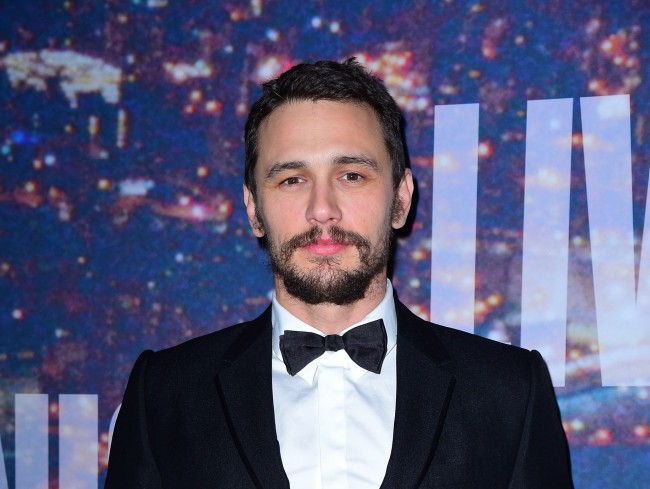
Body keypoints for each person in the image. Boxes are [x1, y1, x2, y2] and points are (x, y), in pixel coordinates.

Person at [105, 58, 573, 488]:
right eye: (292, 179)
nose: (322, 208)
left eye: (352, 175)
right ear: (253, 209)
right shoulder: (164, 395)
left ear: (401, 199)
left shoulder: (509, 392)